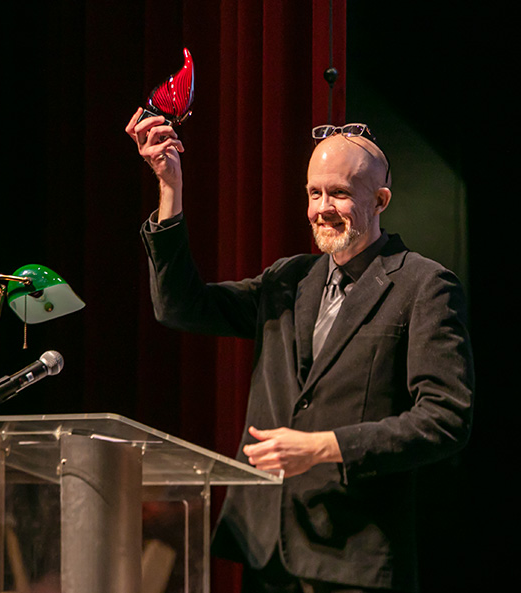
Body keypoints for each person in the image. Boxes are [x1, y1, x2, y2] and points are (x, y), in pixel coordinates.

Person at [126, 109, 474, 593]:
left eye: (340, 193)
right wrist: (170, 188)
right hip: (266, 553)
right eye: (314, 193)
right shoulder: (288, 280)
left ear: (381, 200)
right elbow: (182, 308)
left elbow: (445, 419)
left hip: (352, 560)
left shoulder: (423, 285)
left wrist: (325, 447)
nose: (322, 208)